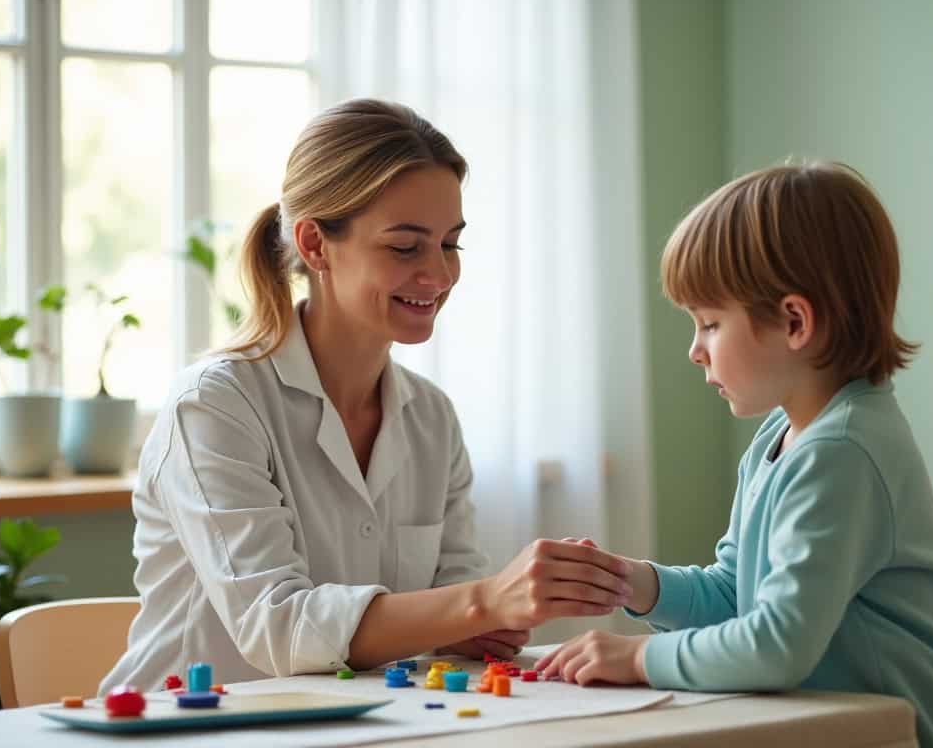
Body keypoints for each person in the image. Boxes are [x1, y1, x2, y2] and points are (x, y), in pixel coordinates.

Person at [101, 99, 632, 694]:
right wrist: (483, 602)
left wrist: (500, 618)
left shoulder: (431, 417)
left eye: (450, 244)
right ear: (315, 244)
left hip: (356, 724)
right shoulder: (213, 406)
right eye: (405, 247)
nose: (438, 275)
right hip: (189, 731)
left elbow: (455, 607)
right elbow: (278, 630)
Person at [536, 161, 933, 748]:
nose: (695, 351)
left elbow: (777, 645)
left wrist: (640, 657)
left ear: (794, 321)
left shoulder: (841, 452)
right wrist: (636, 584)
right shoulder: (779, 438)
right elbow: (736, 595)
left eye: (710, 323)